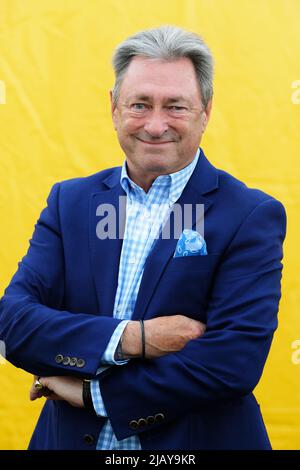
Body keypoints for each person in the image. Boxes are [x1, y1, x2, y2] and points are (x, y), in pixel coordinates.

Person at [0, 26, 286, 450]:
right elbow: (13, 324)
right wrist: (136, 338)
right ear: (114, 108)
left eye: (176, 106)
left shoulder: (248, 215)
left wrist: (91, 393)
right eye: (139, 104)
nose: (155, 125)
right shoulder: (72, 203)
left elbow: (231, 363)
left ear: (205, 112)